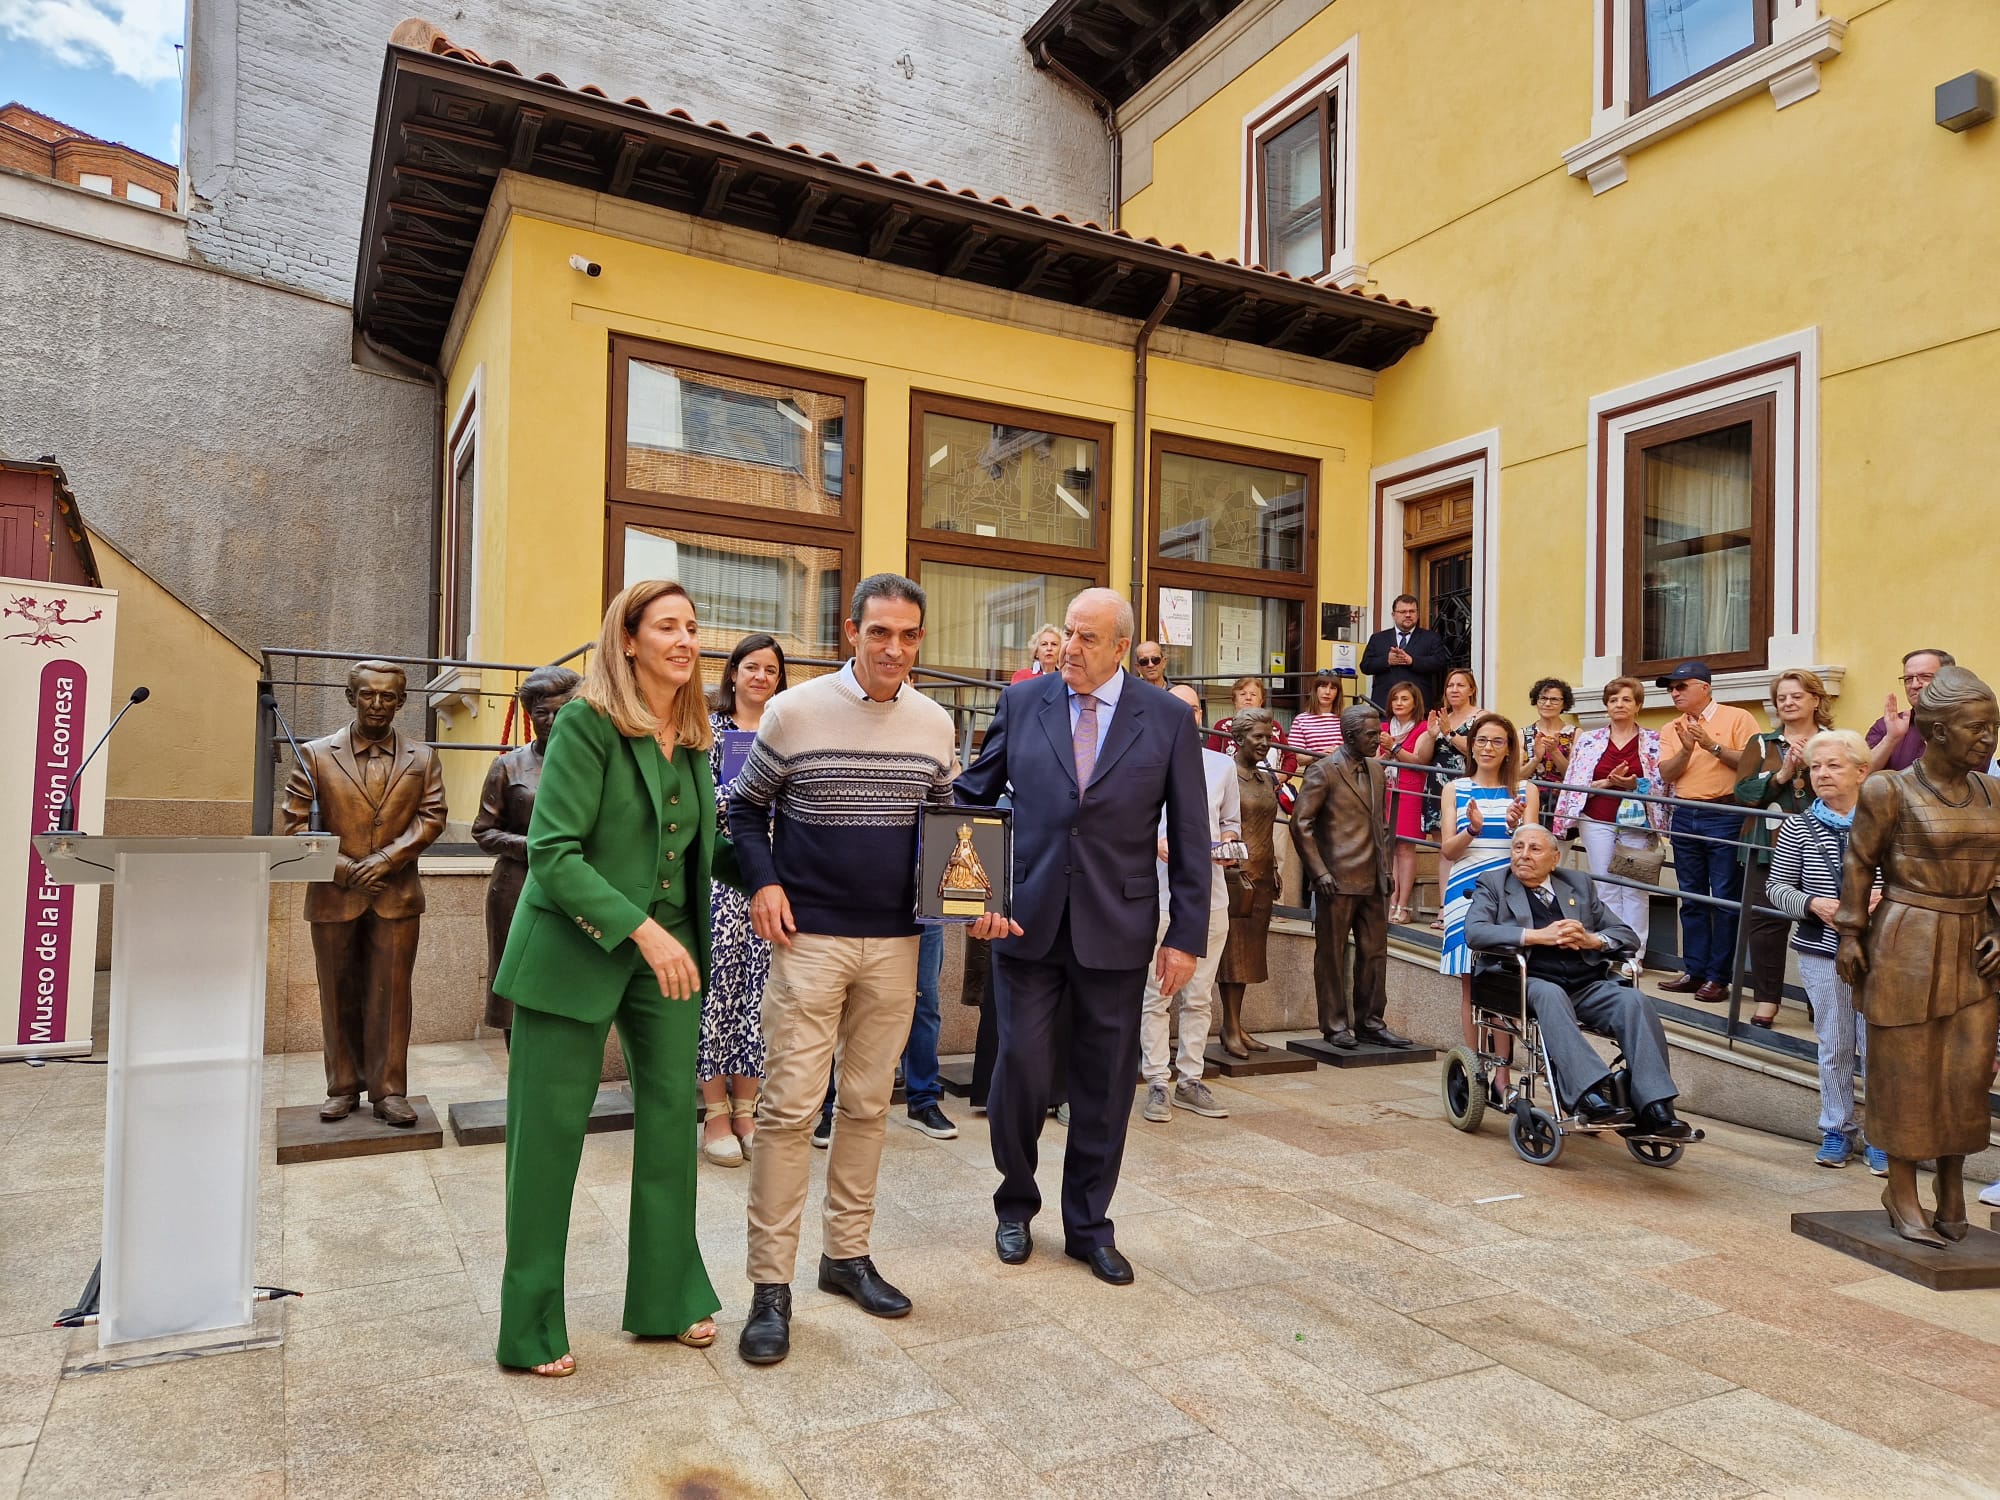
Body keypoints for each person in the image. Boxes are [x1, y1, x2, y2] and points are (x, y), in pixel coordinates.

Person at [726, 574, 1013, 1365]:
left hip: (896, 946)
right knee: (787, 1113)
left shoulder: (931, 722)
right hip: (808, 939)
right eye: (880, 632)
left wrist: (974, 904)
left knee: (865, 1108)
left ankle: (844, 1257)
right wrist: (765, 882)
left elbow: (950, 833)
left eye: (909, 635)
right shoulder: (794, 711)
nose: (894, 648)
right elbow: (745, 809)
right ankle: (769, 1288)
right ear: (851, 630)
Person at [490, 580, 724, 1377]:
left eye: (693, 628)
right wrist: (645, 930)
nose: (686, 640)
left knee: (669, 1124)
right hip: (574, 952)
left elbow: (696, 847)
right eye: (668, 627)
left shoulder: (694, 738)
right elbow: (553, 855)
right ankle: (528, 1327)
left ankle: (666, 1295)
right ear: (628, 640)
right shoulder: (587, 724)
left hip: (673, 954)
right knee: (546, 1143)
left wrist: (788, 870)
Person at [955, 587, 1211, 1287]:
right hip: (1025, 922)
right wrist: (969, 896)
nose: (1070, 647)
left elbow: (1190, 835)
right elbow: (971, 797)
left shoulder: (1165, 719)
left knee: (1103, 1084)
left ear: (1122, 647)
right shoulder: (1023, 703)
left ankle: (1089, 1227)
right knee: (1022, 1073)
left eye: (1087, 638)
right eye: (1068, 633)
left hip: (1119, 927)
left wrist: (1185, 935)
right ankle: (1015, 1206)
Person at [1835, 666, 2000, 1247]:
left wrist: (1999, 926)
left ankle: (1951, 1187)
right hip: (1908, 936)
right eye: (1976, 729)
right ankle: (1901, 1187)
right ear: (1936, 731)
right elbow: (1857, 864)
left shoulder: (1993, 791)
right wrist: (1851, 935)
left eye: (1993, 728)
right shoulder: (1889, 789)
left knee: (1966, 1071)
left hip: (1974, 942)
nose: (1987, 739)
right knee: (1905, 1071)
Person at [280, 659, 448, 1127]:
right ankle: (342, 1087)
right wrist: (347, 870)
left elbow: (432, 817)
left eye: (388, 696)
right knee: (337, 995)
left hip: (396, 895)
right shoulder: (314, 755)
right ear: (351, 697)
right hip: (335, 895)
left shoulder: (424, 757)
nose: (378, 704)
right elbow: (295, 828)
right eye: (369, 695)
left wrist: (386, 860)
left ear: (402, 701)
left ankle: (390, 1091)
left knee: (392, 997)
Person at [1465, 825, 1691, 1138]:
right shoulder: (1494, 883)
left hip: (1586, 984)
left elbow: (1625, 935)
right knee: (1551, 995)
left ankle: (1655, 1106)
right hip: (1526, 981)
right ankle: (1589, 1094)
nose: (1523, 855)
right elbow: (1475, 932)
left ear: (1555, 858)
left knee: (1633, 1001)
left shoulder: (1578, 885)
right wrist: (1535, 936)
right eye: (1518, 847)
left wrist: (1592, 940)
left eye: (1534, 849)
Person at [1763, 729, 1883, 1171]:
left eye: (1833, 765)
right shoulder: (1799, 824)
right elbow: (1776, 888)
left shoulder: (1884, 819)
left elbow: (1911, 878)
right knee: (1834, 1044)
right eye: (1815, 767)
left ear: (1861, 771)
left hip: (1881, 952)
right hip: (1820, 950)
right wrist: (1814, 904)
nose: (1822, 774)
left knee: (1877, 1046)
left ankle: (1881, 1136)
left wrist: (1884, 899)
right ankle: (1836, 1130)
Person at [698, 633, 787, 1168]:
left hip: (775, 878)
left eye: (771, 670)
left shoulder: (787, 731)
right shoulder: (710, 733)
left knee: (761, 996)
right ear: (733, 674)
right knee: (718, 996)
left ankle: (748, 1108)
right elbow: (703, 804)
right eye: (751, 667)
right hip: (722, 876)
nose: (760, 677)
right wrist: (748, 799)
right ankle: (714, 1112)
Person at [1140, 685, 1240, 1122]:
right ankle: (1157, 1081)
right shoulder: (1142, 760)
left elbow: (1231, 824)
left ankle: (1190, 1079)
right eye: (1177, 709)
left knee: (1199, 996)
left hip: (1210, 897)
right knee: (1155, 995)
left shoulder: (1221, 765)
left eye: (1192, 710)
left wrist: (1227, 844)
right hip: (1154, 895)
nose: (1185, 716)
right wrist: (1153, 844)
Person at [472, 665, 581, 1049]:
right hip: (516, 887)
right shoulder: (509, 766)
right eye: (541, 713)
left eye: (561, 710)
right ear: (529, 715)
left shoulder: (591, 764)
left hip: (575, 887)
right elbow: (483, 831)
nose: (551, 720)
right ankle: (519, 1080)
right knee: (515, 987)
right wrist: (532, 847)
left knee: (571, 983)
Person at [1289, 701, 1410, 1049]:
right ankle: (1335, 1024)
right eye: (1371, 734)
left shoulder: (1375, 770)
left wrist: (1386, 870)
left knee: (1375, 953)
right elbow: (1301, 824)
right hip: (1335, 880)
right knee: (1331, 953)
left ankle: (1371, 1021)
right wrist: (1319, 872)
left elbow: (1381, 826)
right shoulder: (1323, 770)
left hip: (1373, 879)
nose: (1379, 739)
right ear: (1350, 735)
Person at [1733, 669, 1833, 1028]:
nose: (1788, 703)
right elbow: (1743, 792)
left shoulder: (1833, 741)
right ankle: (1766, 1001)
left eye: (1796, 696)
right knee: (1765, 925)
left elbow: (1849, 789)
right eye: (1781, 698)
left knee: (1822, 921)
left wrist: (1813, 765)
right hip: (1767, 846)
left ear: (1815, 700)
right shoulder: (1762, 742)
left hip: (1824, 848)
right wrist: (1782, 774)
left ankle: (1821, 1001)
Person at [1654, 661, 1759, 1003]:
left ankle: (1718, 976)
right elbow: (1667, 775)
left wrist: (1710, 745)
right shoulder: (1672, 727)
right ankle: (1695, 970)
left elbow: (1752, 765)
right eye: (1671, 687)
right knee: (1692, 896)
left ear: (1705, 687)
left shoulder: (1738, 718)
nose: (1674, 692)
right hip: (1685, 813)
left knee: (1724, 897)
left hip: (1725, 812)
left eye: (1681, 686)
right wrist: (1687, 748)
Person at [1440, 714, 1537, 1073]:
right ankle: (1476, 1069)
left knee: (1505, 984)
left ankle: (1503, 1073)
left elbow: (1535, 850)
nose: (1487, 748)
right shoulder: (1456, 788)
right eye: (1481, 740)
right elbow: (1449, 850)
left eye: (1497, 741)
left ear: (1510, 748)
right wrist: (1472, 830)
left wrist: (1517, 827)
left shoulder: (1526, 790)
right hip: (1466, 890)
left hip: (1511, 892)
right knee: (1472, 983)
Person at [1552, 678, 1666, 963]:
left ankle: (1634, 954)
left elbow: (1662, 784)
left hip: (1636, 821)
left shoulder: (1653, 740)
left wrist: (1632, 785)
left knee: (1635, 886)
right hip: (1597, 818)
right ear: (1606, 705)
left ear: (1638, 705)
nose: (1619, 704)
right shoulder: (1590, 740)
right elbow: (1575, 781)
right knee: (1605, 884)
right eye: (1614, 700)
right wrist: (1605, 783)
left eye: (1626, 699)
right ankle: (1610, 945)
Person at [1214, 709, 1282, 1058]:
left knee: (1251, 955)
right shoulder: (1226, 776)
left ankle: (1238, 1025)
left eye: (1268, 737)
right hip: (1235, 877)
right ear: (1238, 739)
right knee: (1233, 955)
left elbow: (1267, 826)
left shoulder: (1264, 779)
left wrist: (1274, 868)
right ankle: (1229, 1027)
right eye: (1258, 737)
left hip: (1263, 875)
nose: (1265, 743)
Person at [1425, 668, 1482, 929]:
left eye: (1461, 685)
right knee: (1445, 851)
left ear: (1472, 690)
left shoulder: (1482, 717)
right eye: (1450, 685)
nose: (1454, 690)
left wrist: (1449, 733)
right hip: (1437, 787)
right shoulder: (1441, 717)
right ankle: (1444, 908)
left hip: (1468, 787)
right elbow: (1424, 755)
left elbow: (1478, 751)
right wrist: (1430, 733)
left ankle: (1472, 908)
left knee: (1471, 849)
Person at [1379, 681, 1435, 925]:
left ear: (1415, 703)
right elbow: (1374, 761)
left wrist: (1394, 746)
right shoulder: (1381, 727)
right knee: (1389, 848)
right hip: (1386, 791)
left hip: (1410, 792)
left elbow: (1420, 760)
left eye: (1404, 699)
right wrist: (1386, 752)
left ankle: (1404, 905)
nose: (1399, 703)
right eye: (1395, 699)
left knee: (1405, 848)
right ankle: (1391, 901)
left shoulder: (1423, 728)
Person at [903, 924, 957, 1139]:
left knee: (925, 1004)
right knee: (849, 1003)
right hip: (871, 908)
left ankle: (922, 1101)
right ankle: (831, 1106)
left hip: (926, 911)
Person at [1865, 649, 1953, 773]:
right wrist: (1891, 739)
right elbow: (1860, 775)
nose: (1914, 685)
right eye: (1908, 679)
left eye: (1925, 677)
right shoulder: (1885, 726)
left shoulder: (1966, 726)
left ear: (1950, 680)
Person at [1359, 593, 1446, 715]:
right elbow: (1365, 666)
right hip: (1384, 707)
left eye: (1412, 611)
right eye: (1403, 612)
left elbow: (1440, 662)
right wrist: (1386, 661)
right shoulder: (1378, 638)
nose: (1408, 615)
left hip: (1418, 708)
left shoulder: (1431, 638)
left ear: (1417, 614)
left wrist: (1412, 661)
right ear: (1393, 615)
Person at [1206, 675, 1294, 774]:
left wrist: (1282, 776)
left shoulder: (1274, 727)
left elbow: (1290, 758)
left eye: (1253, 694)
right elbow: (1211, 759)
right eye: (1243, 694)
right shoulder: (1222, 726)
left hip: (1272, 785)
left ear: (1261, 701)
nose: (1248, 698)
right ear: (1234, 700)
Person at [1521, 678, 1576, 810]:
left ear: (1564, 704)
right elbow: (1516, 775)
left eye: (1554, 700)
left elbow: (1574, 775)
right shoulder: (1523, 734)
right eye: (1542, 698)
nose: (1547, 703)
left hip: (1562, 803)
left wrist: (1554, 752)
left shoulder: (1576, 734)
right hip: (1529, 802)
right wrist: (1536, 759)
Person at [1288, 669, 1346, 757]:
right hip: (1315, 769)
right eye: (1323, 686)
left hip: (1342, 768)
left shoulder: (1345, 719)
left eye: (1332, 688)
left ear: (1337, 693)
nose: (1327, 692)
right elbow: (1296, 757)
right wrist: (1319, 756)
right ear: (1315, 690)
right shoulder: (1301, 720)